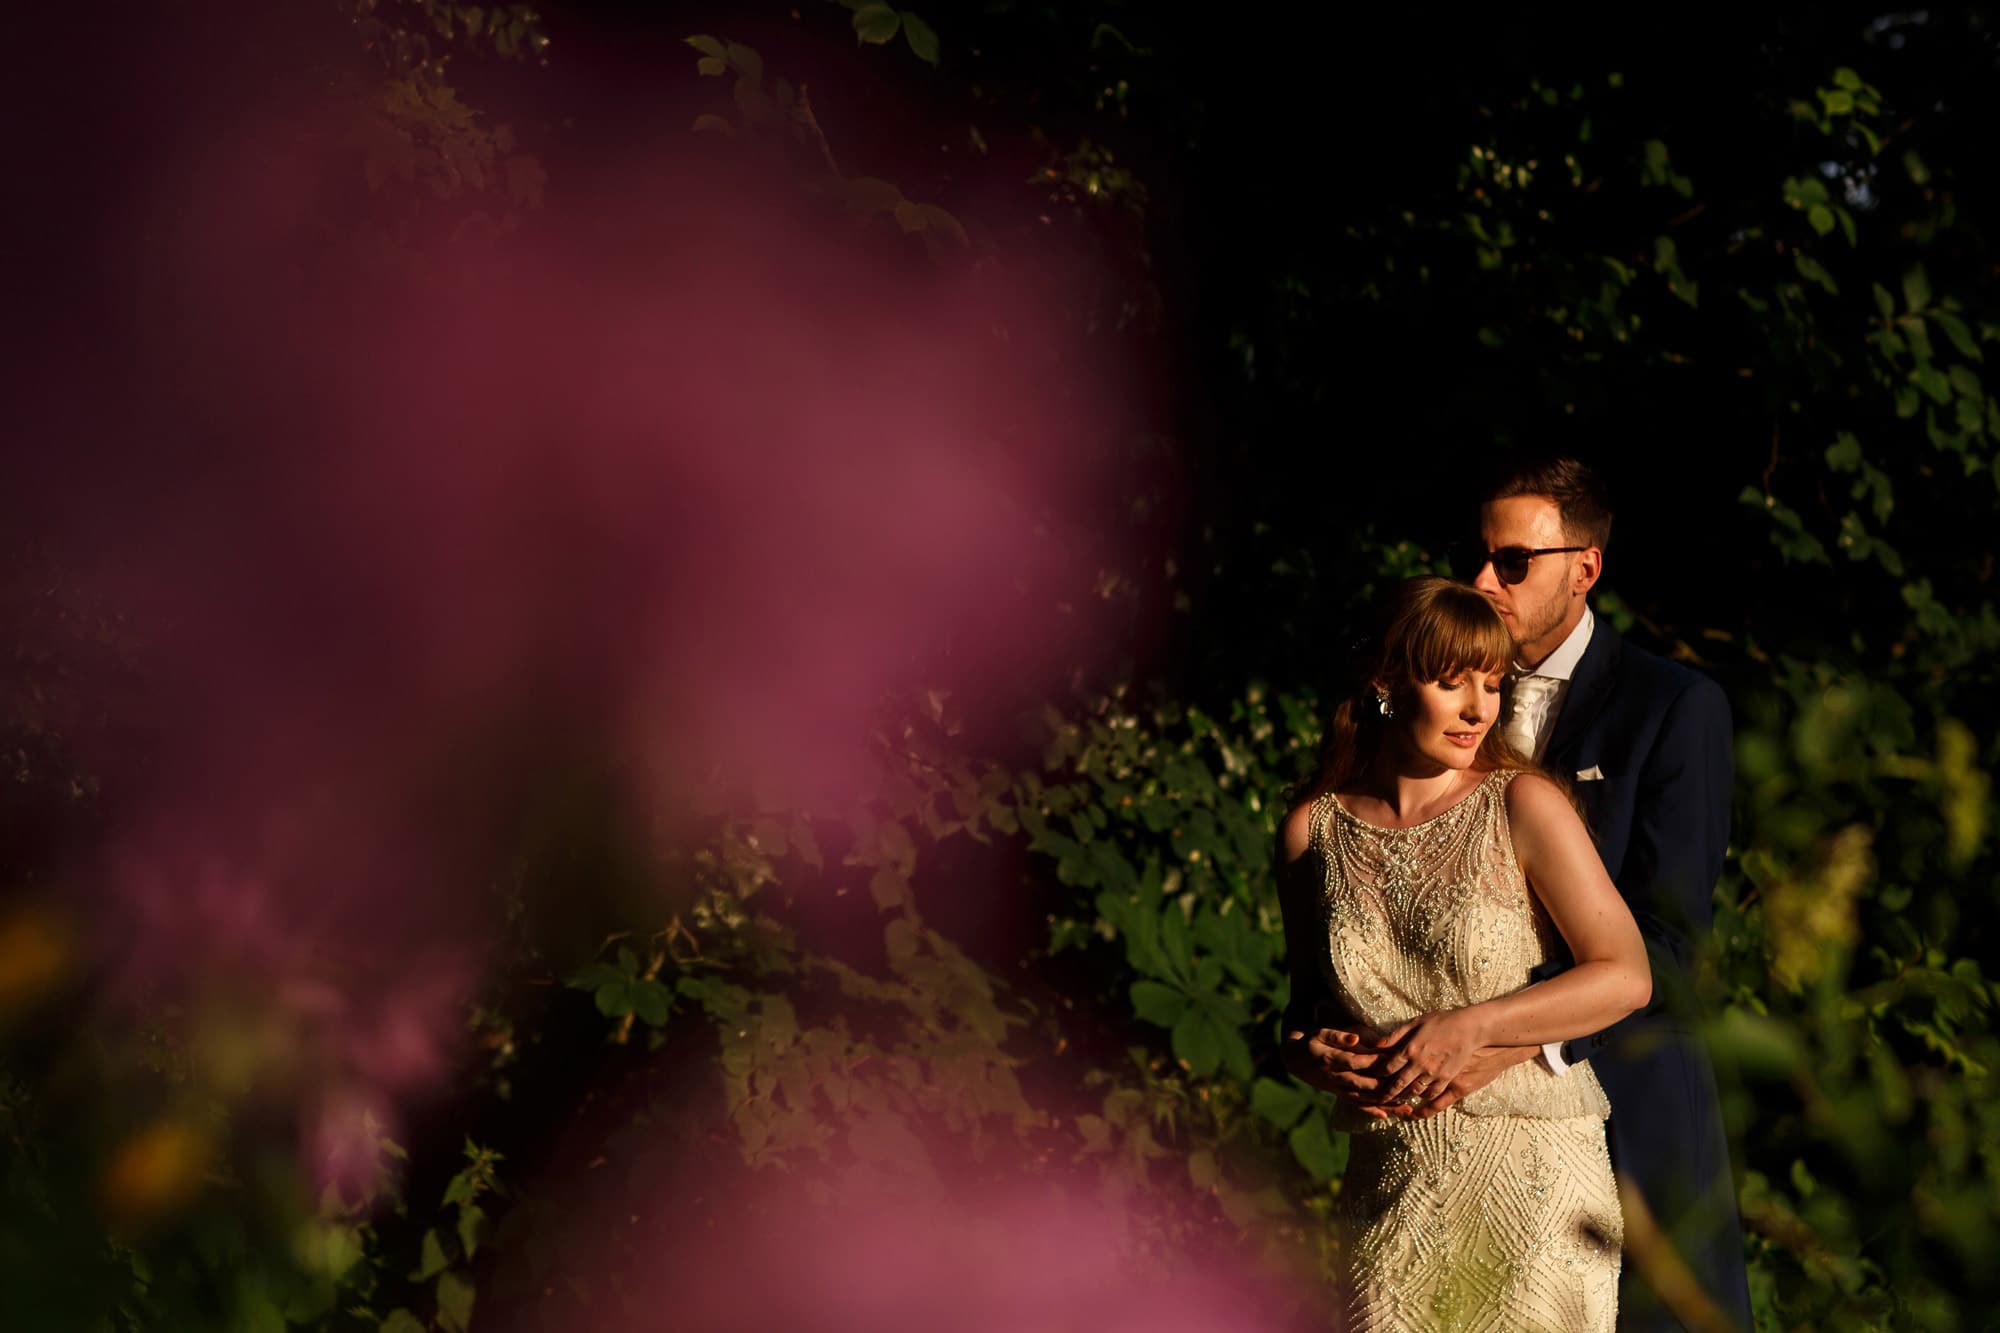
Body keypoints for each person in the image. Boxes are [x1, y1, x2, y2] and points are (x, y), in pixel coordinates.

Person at [1301, 459, 1753, 1330]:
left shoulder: (1674, 706)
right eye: (1480, 556)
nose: (1484, 579)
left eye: (1515, 562)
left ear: (1584, 567)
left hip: (1618, 1110)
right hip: (1423, 1144)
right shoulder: (1422, 717)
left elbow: (1671, 942)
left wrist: (1498, 1036)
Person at [1278, 576, 1651, 1332]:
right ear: (1386, 682)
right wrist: (1310, 1053)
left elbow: (1626, 975)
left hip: (1536, 1182)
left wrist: (1474, 1027)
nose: (1480, 707)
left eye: (1492, 682)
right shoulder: (1309, 832)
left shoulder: (1523, 803)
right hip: (1392, 1185)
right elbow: (1301, 1010)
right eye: (1452, 682)